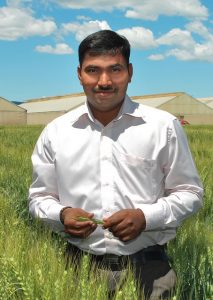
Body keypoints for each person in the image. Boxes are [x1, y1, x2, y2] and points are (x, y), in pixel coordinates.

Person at [29, 30, 203, 299]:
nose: (104, 81)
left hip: (150, 271)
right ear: (79, 74)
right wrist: (61, 214)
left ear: (130, 72)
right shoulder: (56, 132)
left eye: (115, 69)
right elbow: (39, 197)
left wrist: (145, 218)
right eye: (93, 70)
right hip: (76, 269)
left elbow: (191, 193)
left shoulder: (162, 127)